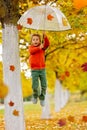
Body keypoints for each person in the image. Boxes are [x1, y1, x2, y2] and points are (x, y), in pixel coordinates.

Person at [28, 33, 50, 106]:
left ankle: (42, 97)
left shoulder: (42, 47)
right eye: (33, 40)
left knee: (44, 85)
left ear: (40, 40)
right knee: (35, 86)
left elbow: (47, 44)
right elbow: (32, 51)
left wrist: (45, 37)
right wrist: (39, 48)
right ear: (31, 41)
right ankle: (35, 96)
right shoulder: (31, 47)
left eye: (37, 39)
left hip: (42, 69)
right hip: (34, 70)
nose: (35, 41)